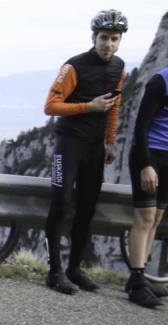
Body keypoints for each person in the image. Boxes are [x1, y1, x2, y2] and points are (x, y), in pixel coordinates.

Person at [43, 9, 127, 294]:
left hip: (94, 148)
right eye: (104, 38)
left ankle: (74, 269)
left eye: (114, 39)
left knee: (87, 209)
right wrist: (88, 107)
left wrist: (111, 141)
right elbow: (50, 106)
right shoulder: (74, 66)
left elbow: (114, 105)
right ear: (94, 37)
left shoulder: (119, 67)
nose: (109, 44)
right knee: (61, 203)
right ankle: (54, 272)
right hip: (68, 144)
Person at [124, 67, 168, 308]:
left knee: (157, 218)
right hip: (150, 155)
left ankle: (137, 279)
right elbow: (141, 128)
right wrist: (145, 166)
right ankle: (137, 280)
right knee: (145, 217)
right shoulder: (160, 82)